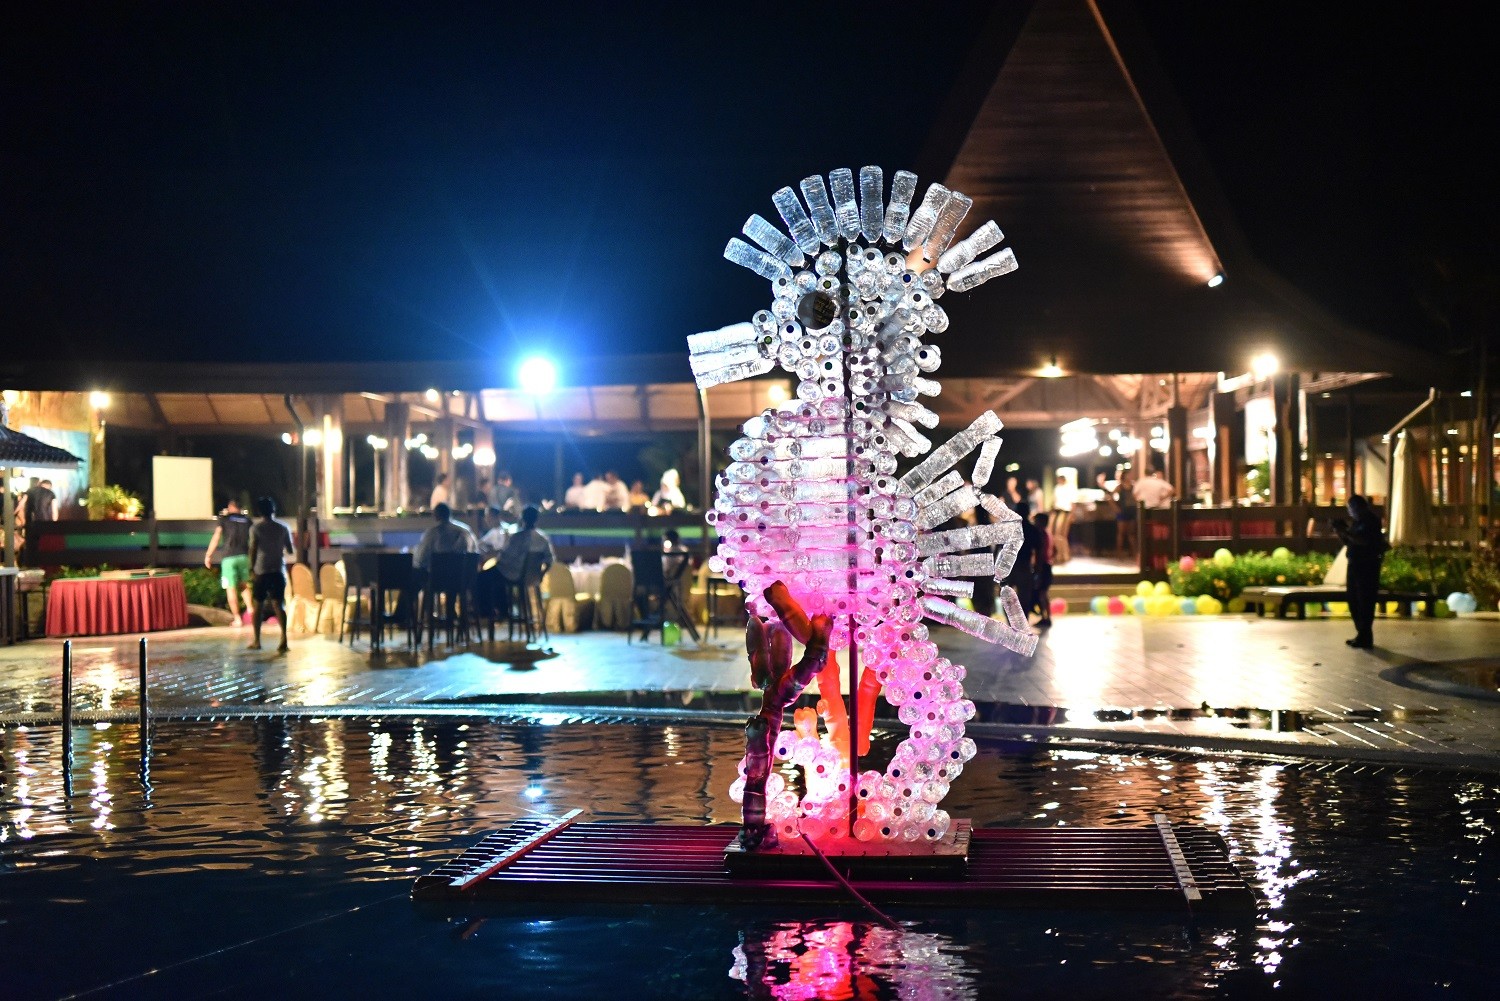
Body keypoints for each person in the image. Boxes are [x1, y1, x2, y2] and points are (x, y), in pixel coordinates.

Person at [1333, 494, 1389, 649]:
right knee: (1353, 600)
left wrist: (1346, 531)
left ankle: (1365, 636)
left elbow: (1364, 541)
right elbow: (1350, 542)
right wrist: (1340, 532)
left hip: (1367, 564)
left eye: (1351, 508)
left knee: (1365, 601)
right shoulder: (1357, 522)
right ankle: (1361, 634)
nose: (1350, 512)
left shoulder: (1371, 521)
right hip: (1354, 563)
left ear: (1358, 507)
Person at [246, 496, 294, 653]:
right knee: (279, 605)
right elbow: (290, 550)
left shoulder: (256, 529)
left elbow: (253, 549)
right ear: (274, 510)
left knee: (258, 605)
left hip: (261, 570)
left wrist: (251, 568)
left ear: (260, 512)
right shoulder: (283, 528)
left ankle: (257, 641)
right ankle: (284, 639)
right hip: (278, 570)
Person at [204, 498, 253, 626]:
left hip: (229, 557)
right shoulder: (247, 520)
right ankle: (251, 610)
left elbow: (217, 536)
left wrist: (209, 555)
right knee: (244, 585)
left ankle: (237, 619)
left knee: (230, 588)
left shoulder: (224, 519)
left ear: (230, 506)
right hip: (244, 556)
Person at [497, 504, 554, 584]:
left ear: (522, 518)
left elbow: (504, 559)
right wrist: (541, 575)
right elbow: (549, 560)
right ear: (537, 519)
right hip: (534, 577)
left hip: (514, 576)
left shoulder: (516, 537)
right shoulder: (543, 538)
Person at [413, 502, 477, 572]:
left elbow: (421, 558)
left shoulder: (432, 533)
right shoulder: (465, 530)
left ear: (436, 515)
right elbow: (474, 553)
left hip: (438, 575)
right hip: (463, 574)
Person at [1032, 510, 1054, 628]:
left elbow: (1040, 554)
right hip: (1047, 565)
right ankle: (1045, 617)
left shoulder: (1041, 535)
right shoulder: (1047, 534)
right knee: (1043, 593)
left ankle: (1046, 617)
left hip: (1043, 566)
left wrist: (1038, 568)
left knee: (1042, 593)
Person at [1050, 470, 1075, 564]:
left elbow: (1072, 503)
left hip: (1065, 512)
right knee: (1055, 534)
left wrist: (1072, 515)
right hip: (1057, 511)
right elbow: (1054, 501)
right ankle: (1060, 554)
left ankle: (1064, 554)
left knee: (1061, 534)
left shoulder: (1069, 488)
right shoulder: (1057, 488)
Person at [1115, 469, 1137, 559]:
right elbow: (1110, 497)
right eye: (1128, 475)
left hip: (1132, 511)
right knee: (1121, 533)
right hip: (1122, 512)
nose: (1130, 476)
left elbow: (1136, 497)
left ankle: (1134, 553)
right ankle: (1119, 553)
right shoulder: (1120, 487)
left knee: (1131, 533)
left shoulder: (1133, 486)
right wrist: (1116, 508)